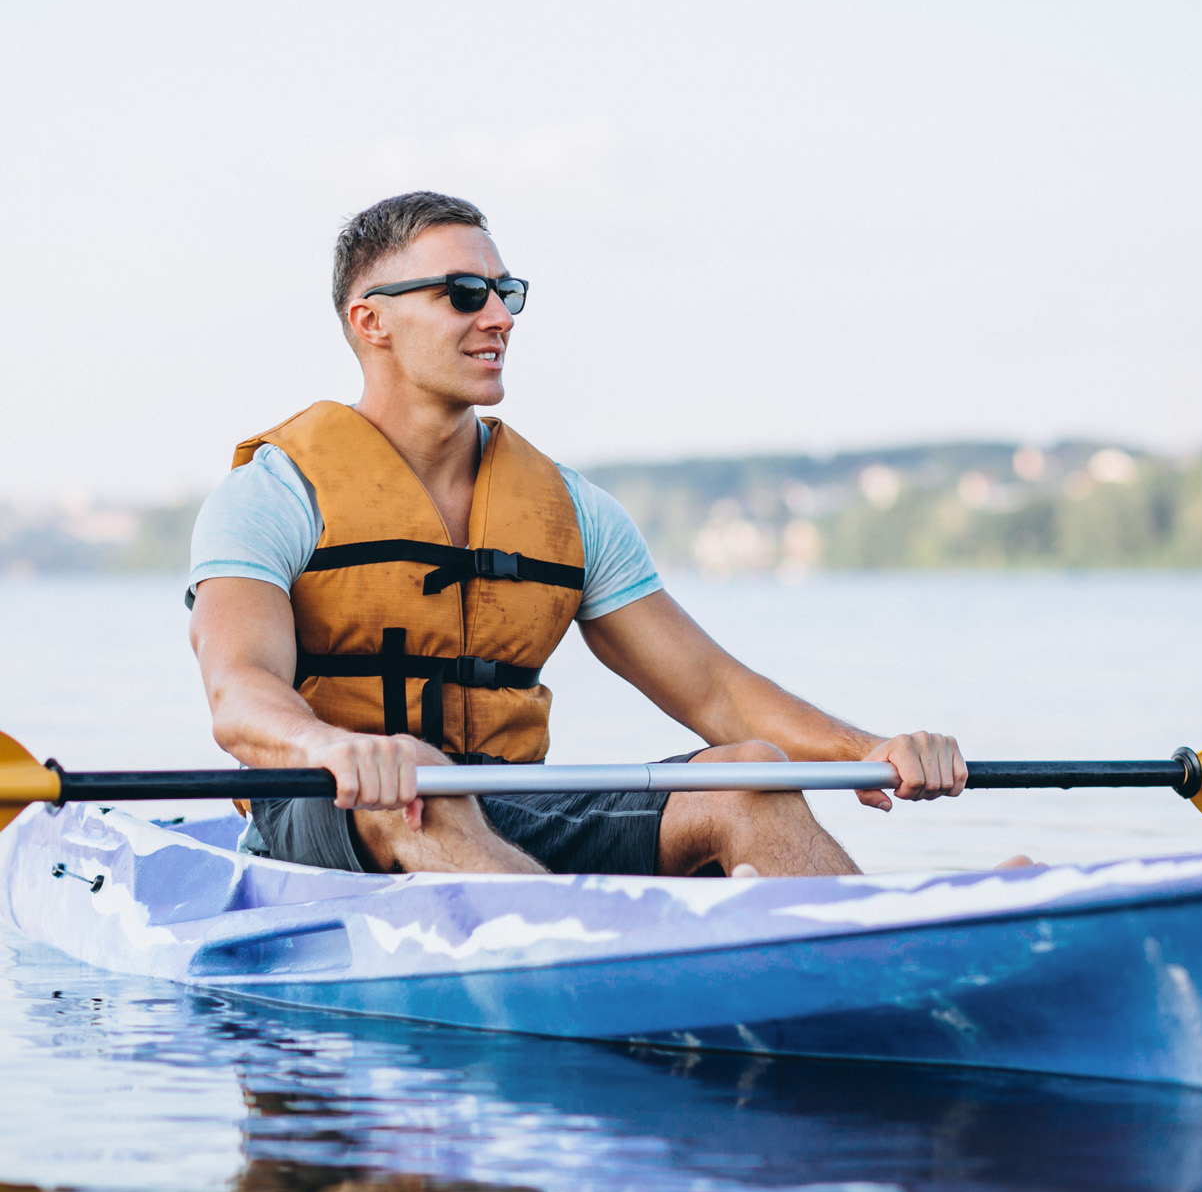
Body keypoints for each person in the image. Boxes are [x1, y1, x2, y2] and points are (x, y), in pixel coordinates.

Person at [188, 191, 991, 879]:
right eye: (464, 292)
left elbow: (714, 691)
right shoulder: (272, 493)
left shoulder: (571, 510)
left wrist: (875, 747)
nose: (498, 316)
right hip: (334, 809)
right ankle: (570, 948)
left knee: (750, 775)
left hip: (510, 809)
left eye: (507, 292)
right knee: (420, 788)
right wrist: (328, 746)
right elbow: (239, 691)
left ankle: (889, 954)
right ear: (372, 322)